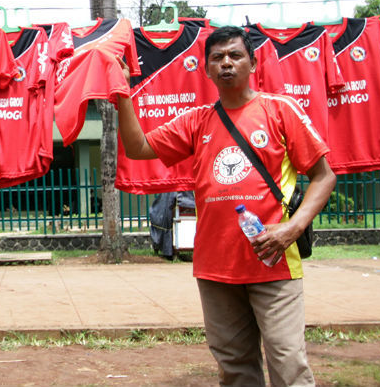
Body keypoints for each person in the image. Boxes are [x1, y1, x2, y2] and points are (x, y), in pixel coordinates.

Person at [116, 26, 336, 386]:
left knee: (288, 362)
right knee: (234, 366)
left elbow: (324, 176)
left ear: (253, 62)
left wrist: (292, 228)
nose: (226, 64)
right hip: (216, 267)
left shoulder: (280, 110)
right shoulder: (197, 120)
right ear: (206, 69)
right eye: (217, 58)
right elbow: (139, 148)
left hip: (274, 262)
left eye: (235, 55)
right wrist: (123, 95)